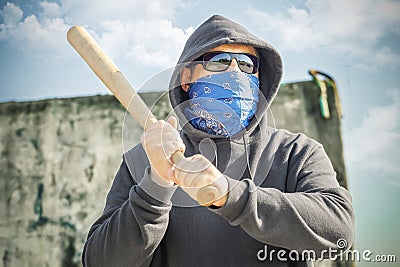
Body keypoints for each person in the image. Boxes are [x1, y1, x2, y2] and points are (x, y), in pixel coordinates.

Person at [82, 15, 354, 266]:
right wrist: (155, 186)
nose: (236, 73)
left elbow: (339, 233)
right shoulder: (146, 160)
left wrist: (231, 195)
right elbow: (99, 261)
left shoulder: (296, 152)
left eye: (248, 64)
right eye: (218, 61)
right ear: (186, 78)